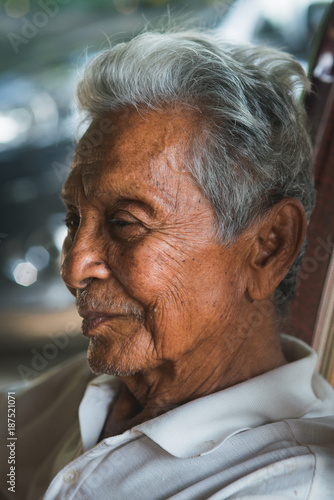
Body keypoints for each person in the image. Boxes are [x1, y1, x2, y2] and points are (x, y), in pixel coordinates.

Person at [1, 30, 334, 500]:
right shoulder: (94, 386)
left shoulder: (291, 483)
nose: (75, 268)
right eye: (73, 220)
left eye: (124, 223)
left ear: (268, 247)